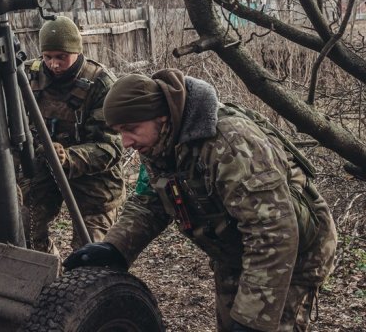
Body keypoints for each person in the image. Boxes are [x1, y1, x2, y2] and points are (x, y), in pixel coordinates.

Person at [64, 69, 337, 332]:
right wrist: (115, 248)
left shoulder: (231, 144)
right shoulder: (159, 141)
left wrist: (254, 320)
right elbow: (150, 202)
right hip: (235, 249)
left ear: (161, 116)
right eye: (119, 131)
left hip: (295, 254)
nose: (125, 142)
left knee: (258, 323)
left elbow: (272, 232)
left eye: (131, 128)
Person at [20, 16, 125, 255]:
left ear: (77, 52)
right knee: (27, 235)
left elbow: (111, 148)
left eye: (61, 57)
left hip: (94, 181)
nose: (54, 64)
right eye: (47, 56)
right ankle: (49, 277)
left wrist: (68, 157)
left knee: (91, 253)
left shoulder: (101, 84)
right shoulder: (29, 76)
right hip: (41, 170)